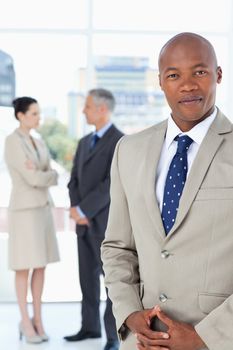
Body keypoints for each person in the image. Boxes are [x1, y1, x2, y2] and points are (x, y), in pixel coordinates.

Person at [101, 32, 232, 350]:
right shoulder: (129, 150)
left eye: (199, 72)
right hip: (143, 341)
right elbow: (118, 247)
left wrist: (207, 336)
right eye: (174, 75)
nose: (187, 85)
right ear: (160, 82)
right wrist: (129, 312)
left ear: (218, 75)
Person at [64, 88, 123, 350]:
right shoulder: (83, 142)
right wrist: (77, 210)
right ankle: (89, 328)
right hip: (83, 224)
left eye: (87, 106)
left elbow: (111, 183)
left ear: (102, 108)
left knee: (112, 284)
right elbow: (73, 180)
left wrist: (86, 211)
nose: (83, 111)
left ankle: (113, 336)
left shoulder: (120, 142)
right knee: (86, 278)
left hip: (105, 224)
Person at [4, 96, 59, 344]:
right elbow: (35, 179)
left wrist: (44, 174)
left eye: (39, 113)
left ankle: (38, 319)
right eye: (34, 113)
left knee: (40, 265)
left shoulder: (38, 142)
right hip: (25, 213)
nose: (39, 118)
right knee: (23, 267)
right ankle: (25, 321)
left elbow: (51, 173)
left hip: (43, 210)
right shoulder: (12, 142)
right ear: (21, 115)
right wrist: (45, 174)